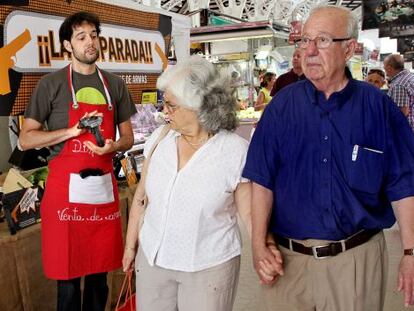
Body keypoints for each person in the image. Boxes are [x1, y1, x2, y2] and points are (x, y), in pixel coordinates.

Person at [243, 5, 414, 311]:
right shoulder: (282, 107)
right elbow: (261, 179)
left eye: (322, 41)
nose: (308, 51)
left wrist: (410, 252)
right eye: (304, 40)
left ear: (348, 48)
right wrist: (257, 245)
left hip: (354, 263)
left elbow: (404, 184)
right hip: (288, 264)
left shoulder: (377, 107)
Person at [19, 11, 136, 311]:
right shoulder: (51, 84)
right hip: (65, 194)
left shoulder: (114, 85)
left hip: (102, 189)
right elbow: (25, 139)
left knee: (99, 277)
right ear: (68, 45)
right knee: (68, 281)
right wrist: (71, 132)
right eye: (81, 37)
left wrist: (113, 145)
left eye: (94, 35)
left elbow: (128, 138)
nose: (90, 42)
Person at [122, 55, 251, 311]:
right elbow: (141, 198)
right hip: (154, 259)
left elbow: (249, 213)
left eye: (171, 105)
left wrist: (265, 248)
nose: (164, 112)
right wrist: (130, 246)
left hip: (208, 266)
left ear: (199, 105)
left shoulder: (235, 151)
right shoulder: (160, 139)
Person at [384, 54, 414, 131]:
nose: (385, 70)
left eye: (385, 67)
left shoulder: (398, 85)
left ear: (389, 68)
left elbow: (402, 112)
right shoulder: (409, 76)